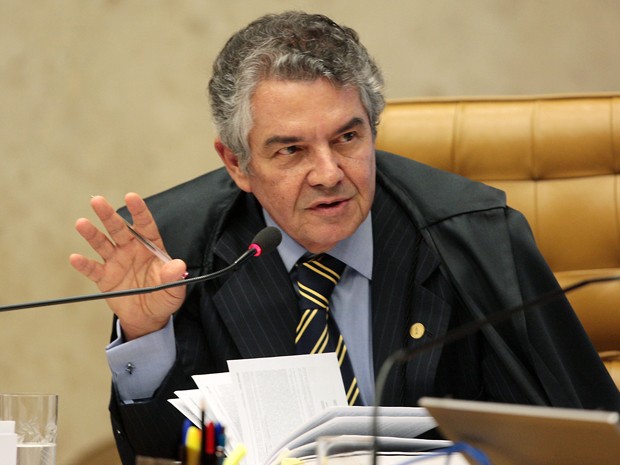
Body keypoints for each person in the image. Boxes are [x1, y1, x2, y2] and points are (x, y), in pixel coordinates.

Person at [70, 11, 620, 465]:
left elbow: (580, 434)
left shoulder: (473, 238)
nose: (329, 173)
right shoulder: (181, 250)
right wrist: (147, 333)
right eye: (291, 150)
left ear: (373, 129)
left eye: (347, 138)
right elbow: (169, 451)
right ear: (236, 163)